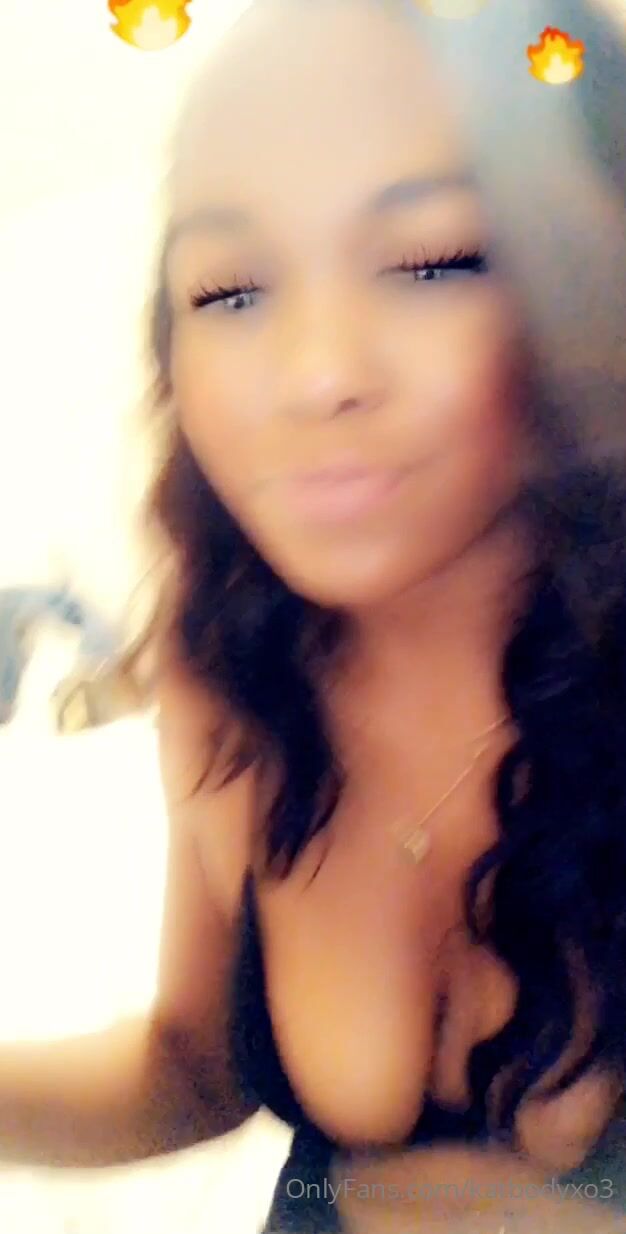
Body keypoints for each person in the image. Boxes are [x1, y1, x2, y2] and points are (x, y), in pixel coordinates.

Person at [1, 1, 625, 1232]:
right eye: (230, 288)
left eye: (431, 261)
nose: (314, 372)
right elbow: (195, 1067)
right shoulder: (225, 678)